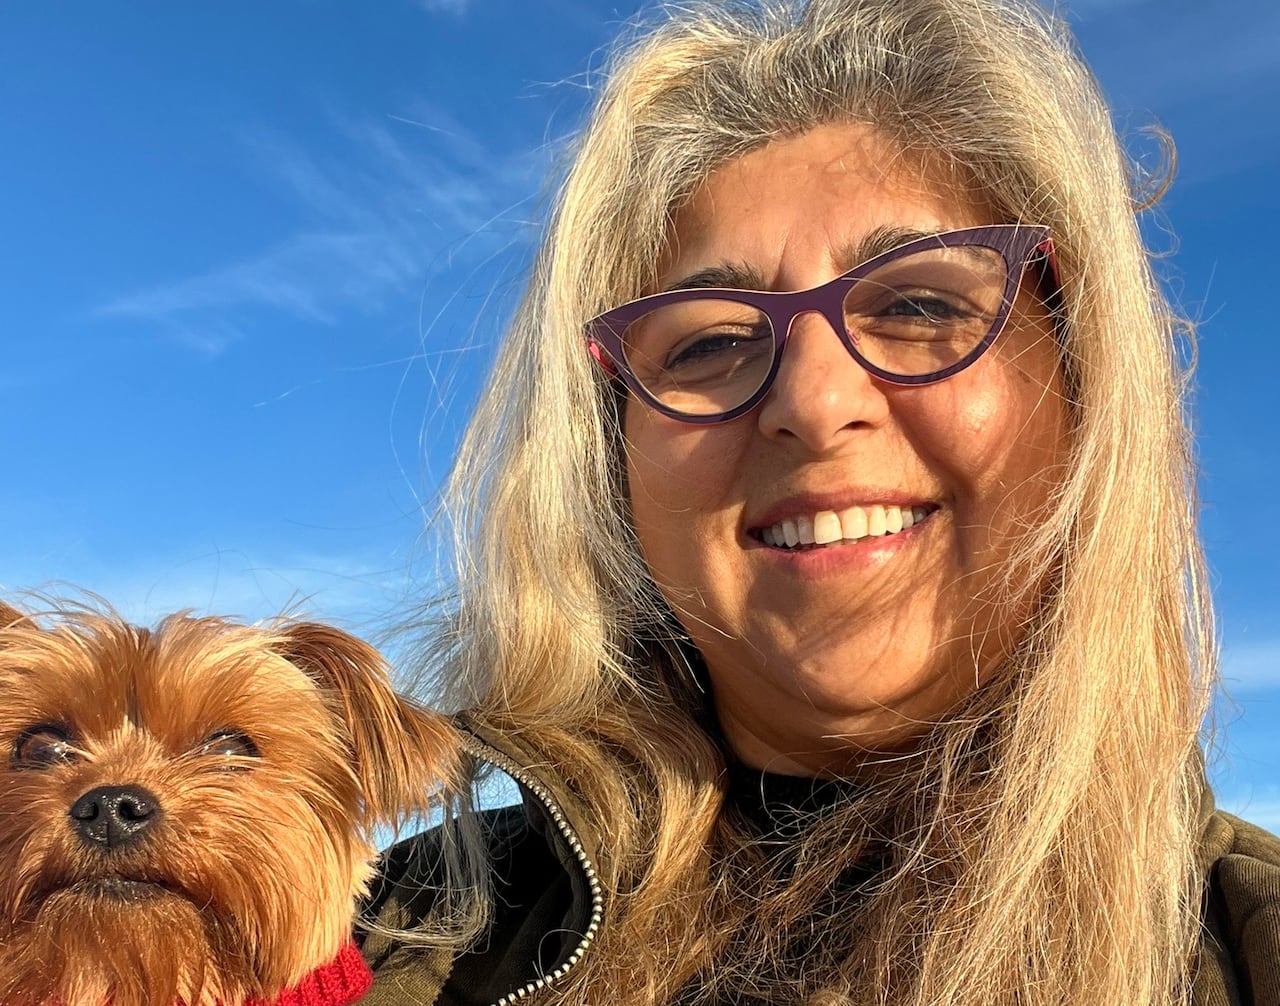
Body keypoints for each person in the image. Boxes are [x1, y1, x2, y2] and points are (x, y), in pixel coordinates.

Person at [358, 0, 1280, 1003]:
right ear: (605, 454)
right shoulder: (373, 938)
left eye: (921, 303)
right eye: (708, 341)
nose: (812, 399)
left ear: (1083, 386)